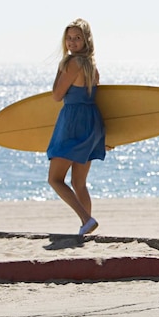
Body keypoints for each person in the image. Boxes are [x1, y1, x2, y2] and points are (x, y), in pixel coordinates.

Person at [47, 18, 106, 236]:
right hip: (92, 121)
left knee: (55, 179)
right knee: (79, 182)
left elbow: (56, 95)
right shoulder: (92, 65)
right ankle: (85, 228)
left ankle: (86, 219)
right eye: (69, 38)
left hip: (73, 121)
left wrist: (60, 68)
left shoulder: (72, 63)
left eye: (77, 38)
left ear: (85, 40)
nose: (72, 42)